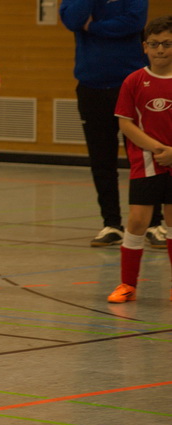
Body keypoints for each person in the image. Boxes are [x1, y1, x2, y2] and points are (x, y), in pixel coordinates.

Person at [60, 0, 167, 249]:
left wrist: (92, 27)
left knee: (146, 156)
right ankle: (111, 224)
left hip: (131, 83)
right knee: (101, 160)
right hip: (92, 86)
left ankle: (154, 223)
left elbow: (133, 23)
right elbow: (72, 20)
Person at [107, 15, 172, 303]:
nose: (160, 50)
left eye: (167, 44)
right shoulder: (134, 81)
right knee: (136, 222)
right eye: (154, 44)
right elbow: (126, 123)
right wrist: (158, 149)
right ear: (145, 46)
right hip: (146, 163)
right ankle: (127, 285)